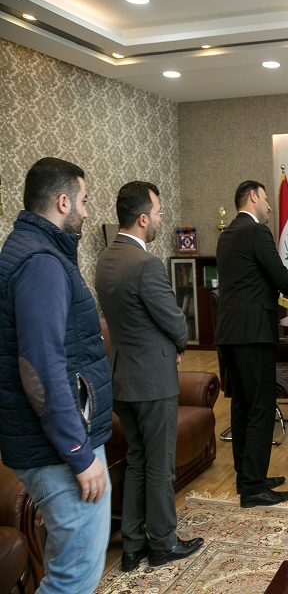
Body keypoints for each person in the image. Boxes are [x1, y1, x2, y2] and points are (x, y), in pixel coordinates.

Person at [0, 157, 113, 592]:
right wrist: (79, 453)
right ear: (63, 202)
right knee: (74, 577)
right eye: (83, 201)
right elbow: (40, 370)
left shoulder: (33, 250)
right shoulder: (41, 263)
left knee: (68, 563)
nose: (85, 211)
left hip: (52, 444)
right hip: (58, 450)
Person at [95, 181, 203, 572]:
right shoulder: (146, 264)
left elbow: (134, 319)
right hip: (152, 382)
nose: (160, 218)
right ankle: (163, 543)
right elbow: (176, 321)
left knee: (138, 459)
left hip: (121, 378)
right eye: (157, 213)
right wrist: (177, 345)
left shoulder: (105, 259)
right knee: (159, 465)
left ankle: (132, 546)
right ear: (142, 219)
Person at [216, 179, 288, 508]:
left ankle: (248, 477)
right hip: (253, 335)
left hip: (230, 335)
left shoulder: (227, 235)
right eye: (265, 199)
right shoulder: (256, 232)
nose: (269, 206)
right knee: (261, 407)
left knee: (242, 406)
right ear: (252, 197)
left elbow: (251, 278)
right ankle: (253, 488)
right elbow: (278, 275)